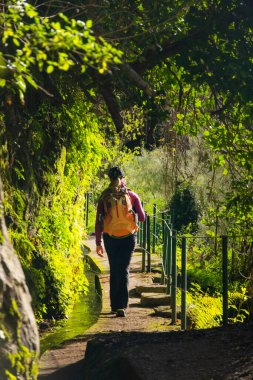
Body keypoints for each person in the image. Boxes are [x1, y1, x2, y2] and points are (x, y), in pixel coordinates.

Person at [95, 166, 145, 317]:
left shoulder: (104, 196)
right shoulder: (132, 195)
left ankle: (114, 305)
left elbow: (98, 222)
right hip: (128, 238)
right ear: (123, 178)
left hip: (110, 238)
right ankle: (122, 306)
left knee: (114, 269)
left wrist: (98, 243)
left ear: (110, 179)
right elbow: (142, 217)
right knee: (124, 270)